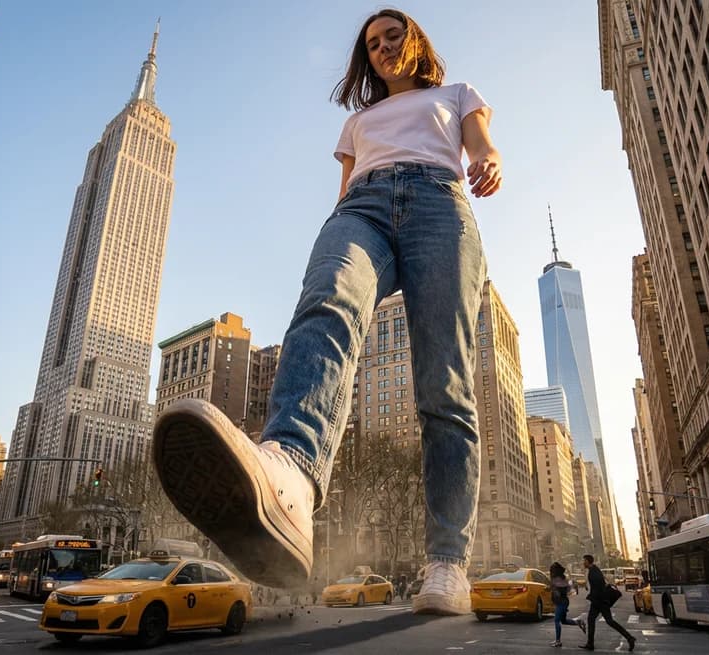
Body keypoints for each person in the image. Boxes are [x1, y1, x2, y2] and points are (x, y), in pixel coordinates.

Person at [151, 8, 500, 618]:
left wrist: (487, 159)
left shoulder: (456, 93)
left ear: (415, 41)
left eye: (394, 36)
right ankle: (291, 472)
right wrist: (338, 233)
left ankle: (448, 560)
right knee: (328, 301)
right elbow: (345, 188)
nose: (384, 47)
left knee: (444, 385)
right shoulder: (360, 121)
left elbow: (480, 141)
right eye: (373, 43)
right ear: (366, 60)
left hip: (439, 205)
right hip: (361, 209)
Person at [582, 555, 635, 652]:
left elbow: (599, 588)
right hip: (599, 601)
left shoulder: (594, 572)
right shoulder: (594, 570)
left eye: (584, 561)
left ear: (588, 561)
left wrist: (592, 597)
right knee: (594, 620)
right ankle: (590, 643)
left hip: (600, 601)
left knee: (608, 621)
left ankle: (630, 638)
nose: (583, 563)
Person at [549, 562, 585, 647]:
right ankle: (578, 622)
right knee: (563, 621)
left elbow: (561, 590)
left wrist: (555, 589)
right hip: (562, 602)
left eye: (551, 570)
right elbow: (567, 589)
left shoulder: (556, 579)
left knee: (557, 620)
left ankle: (558, 641)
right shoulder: (561, 578)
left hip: (561, 602)